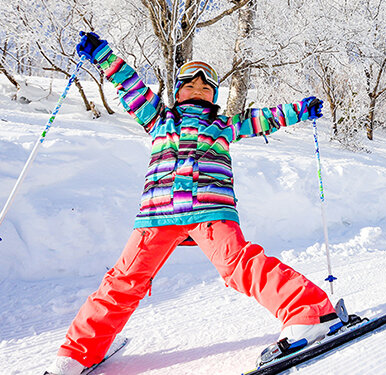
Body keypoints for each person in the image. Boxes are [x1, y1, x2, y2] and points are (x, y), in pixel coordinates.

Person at [45, 32, 343, 375]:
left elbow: (267, 118)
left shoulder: (225, 124)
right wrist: (103, 54)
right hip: (157, 213)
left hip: (210, 208)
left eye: (206, 88)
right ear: (177, 92)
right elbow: (129, 83)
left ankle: (309, 312)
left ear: (214, 96)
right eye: (190, 86)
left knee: (238, 264)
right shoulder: (158, 117)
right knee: (125, 278)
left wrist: (299, 110)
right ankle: (78, 353)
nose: (198, 91)